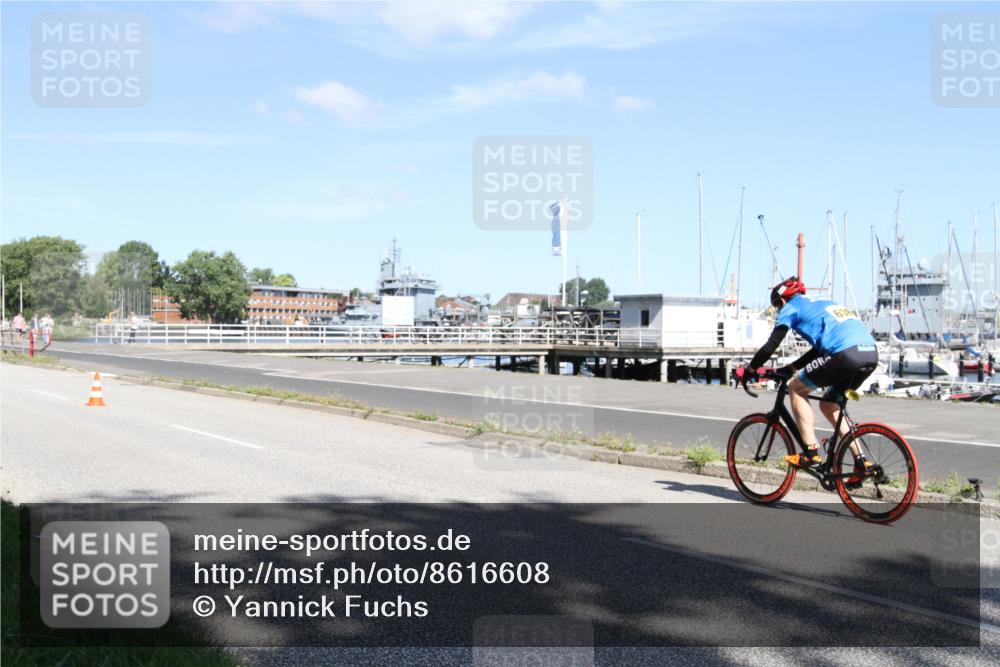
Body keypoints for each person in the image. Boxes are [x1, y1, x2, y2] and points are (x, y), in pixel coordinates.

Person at [743, 277, 879, 470]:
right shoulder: (825, 303)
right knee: (830, 404)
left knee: (796, 389)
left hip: (844, 353)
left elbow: (771, 345)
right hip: (870, 354)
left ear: (781, 301)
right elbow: (819, 349)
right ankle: (861, 461)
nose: (779, 311)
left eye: (777, 307)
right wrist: (791, 368)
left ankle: (811, 453)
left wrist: (750, 369)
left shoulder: (790, 308)